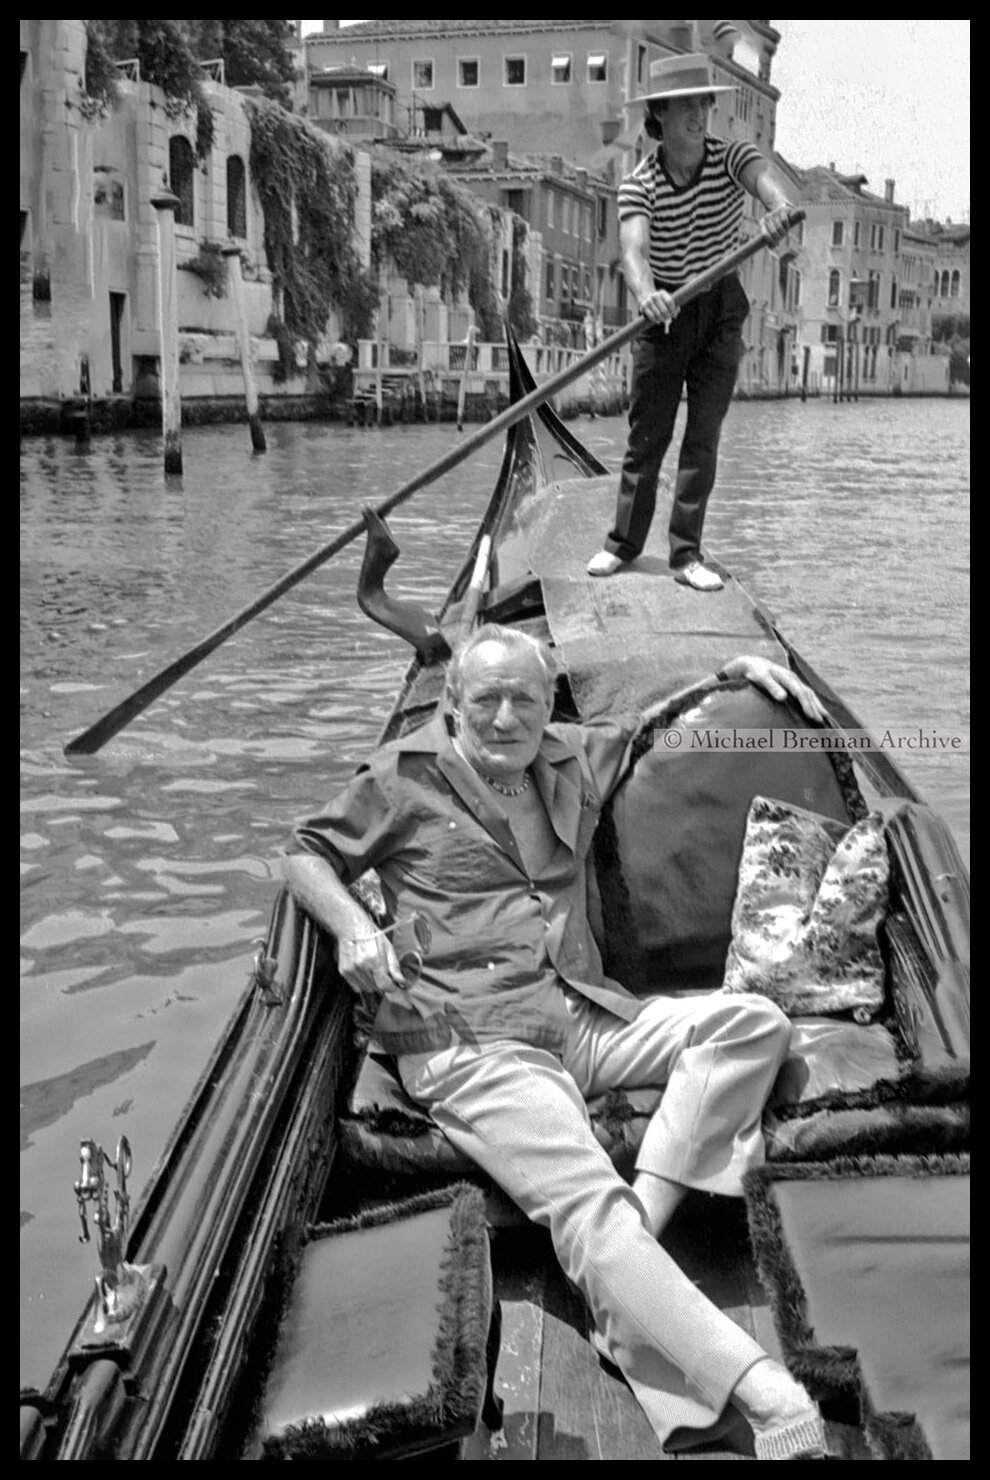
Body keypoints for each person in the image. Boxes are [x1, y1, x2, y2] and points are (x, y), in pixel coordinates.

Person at [283, 625, 829, 1459]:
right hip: (469, 1036)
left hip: (576, 1011)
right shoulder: (401, 777)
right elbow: (304, 854)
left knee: (751, 1023)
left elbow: (651, 723)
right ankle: (765, 1390)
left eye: (525, 700)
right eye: (486, 700)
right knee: (585, 1205)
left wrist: (731, 670)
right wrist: (354, 926)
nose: (505, 718)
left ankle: (626, 1276)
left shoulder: (567, 758)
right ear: (453, 702)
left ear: (548, 705)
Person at [587, 54, 796, 591]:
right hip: (665, 312)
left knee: (703, 437)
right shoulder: (640, 184)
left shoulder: (731, 158)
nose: (699, 114)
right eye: (685, 105)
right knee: (646, 437)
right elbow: (633, 252)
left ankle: (685, 556)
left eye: (703, 102)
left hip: (721, 307)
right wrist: (647, 294)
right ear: (660, 114)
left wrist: (775, 213)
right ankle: (624, 545)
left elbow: (769, 189)